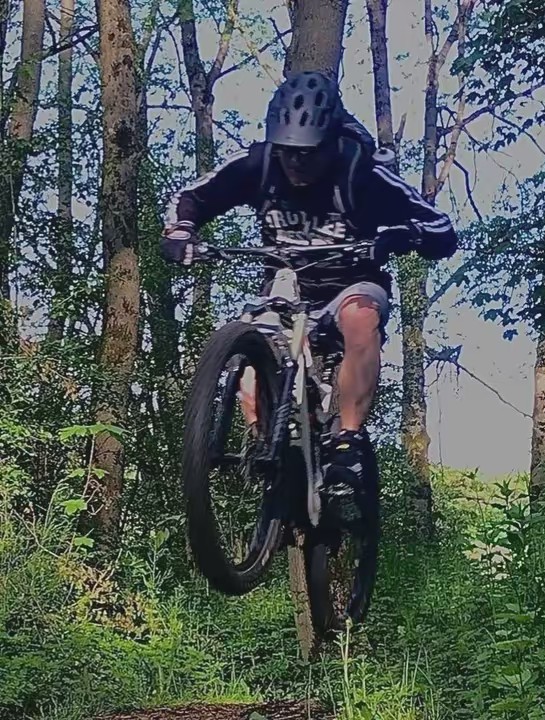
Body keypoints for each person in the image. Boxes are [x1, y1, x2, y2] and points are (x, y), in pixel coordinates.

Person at [160, 70, 458, 517]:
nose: (296, 164)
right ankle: (271, 448)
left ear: (331, 143)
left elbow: (441, 227)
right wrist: (181, 231)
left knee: (360, 317)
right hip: (284, 287)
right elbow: (192, 196)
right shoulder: (259, 164)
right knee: (249, 358)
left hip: (349, 285)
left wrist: (401, 235)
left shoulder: (361, 172)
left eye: (308, 154)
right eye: (288, 152)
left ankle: (347, 443)